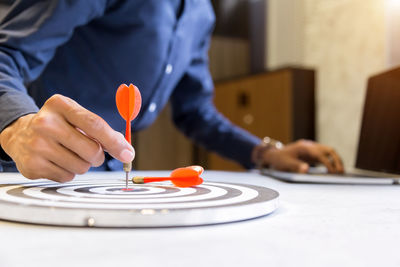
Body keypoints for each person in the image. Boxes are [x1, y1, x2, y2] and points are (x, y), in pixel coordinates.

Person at [0, 0, 343, 182]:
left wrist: (265, 153)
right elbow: (5, 55)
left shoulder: (201, 14)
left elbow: (196, 112)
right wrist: (17, 126)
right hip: (24, 174)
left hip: (105, 182)